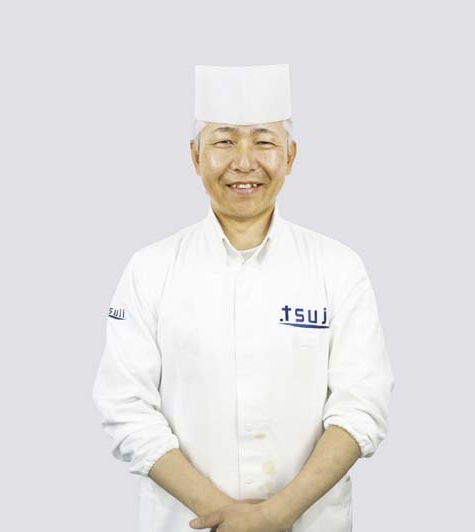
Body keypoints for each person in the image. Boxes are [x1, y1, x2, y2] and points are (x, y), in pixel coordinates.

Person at [92, 63, 395, 532]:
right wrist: (226, 517)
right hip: (186, 522)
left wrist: (277, 514)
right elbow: (125, 406)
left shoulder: (338, 267)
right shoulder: (149, 269)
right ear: (195, 156)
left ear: (291, 156)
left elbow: (362, 405)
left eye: (264, 142)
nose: (245, 162)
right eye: (224, 141)